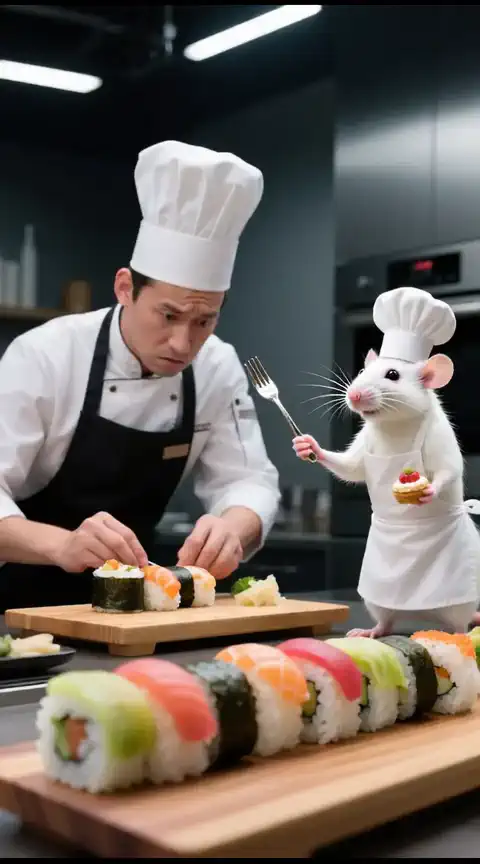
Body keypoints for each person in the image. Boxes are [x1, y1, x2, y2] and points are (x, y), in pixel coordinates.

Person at [0, 140, 281, 611]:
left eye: (204, 320)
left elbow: (250, 479)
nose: (182, 344)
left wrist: (234, 524)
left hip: (137, 612)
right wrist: (62, 546)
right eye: (168, 315)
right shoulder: (45, 354)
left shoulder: (216, 364)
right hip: (20, 608)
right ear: (125, 287)